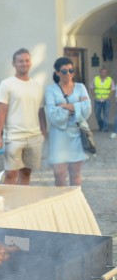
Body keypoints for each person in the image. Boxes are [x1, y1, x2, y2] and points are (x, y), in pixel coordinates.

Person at [0, 48, 47, 185]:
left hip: (34, 136)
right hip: (14, 136)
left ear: (30, 63)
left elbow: (40, 110)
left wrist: (43, 130)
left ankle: (22, 202)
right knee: (11, 173)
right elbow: (1, 112)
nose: (24, 63)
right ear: (14, 64)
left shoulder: (37, 85)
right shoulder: (6, 84)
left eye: (27, 60)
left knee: (26, 172)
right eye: (20, 61)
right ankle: (8, 204)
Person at [44, 57, 91, 186]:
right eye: (64, 71)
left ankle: (75, 203)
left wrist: (65, 106)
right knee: (59, 173)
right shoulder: (50, 90)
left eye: (71, 70)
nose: (68, 74)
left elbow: (87, 108)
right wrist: (77, 107)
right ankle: (61, 202)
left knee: (75, 173)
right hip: (59, 134)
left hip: (76, 132)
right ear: (57, 73)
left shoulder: (80, 87)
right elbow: (52, 113)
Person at [89, 67, 113, 132]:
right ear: (100, 72)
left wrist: (109, 97)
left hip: (106, 100)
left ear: (107, 73)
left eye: (105, 72)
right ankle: (101, 125)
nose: (103, 73)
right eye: (102, 72)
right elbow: (91, 87)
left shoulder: (110, 80)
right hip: (97, 100)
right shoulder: (95, 79)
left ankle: (105, 128)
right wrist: (94, 96)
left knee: (106, 114)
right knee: (97, 114)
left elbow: (112, 89)